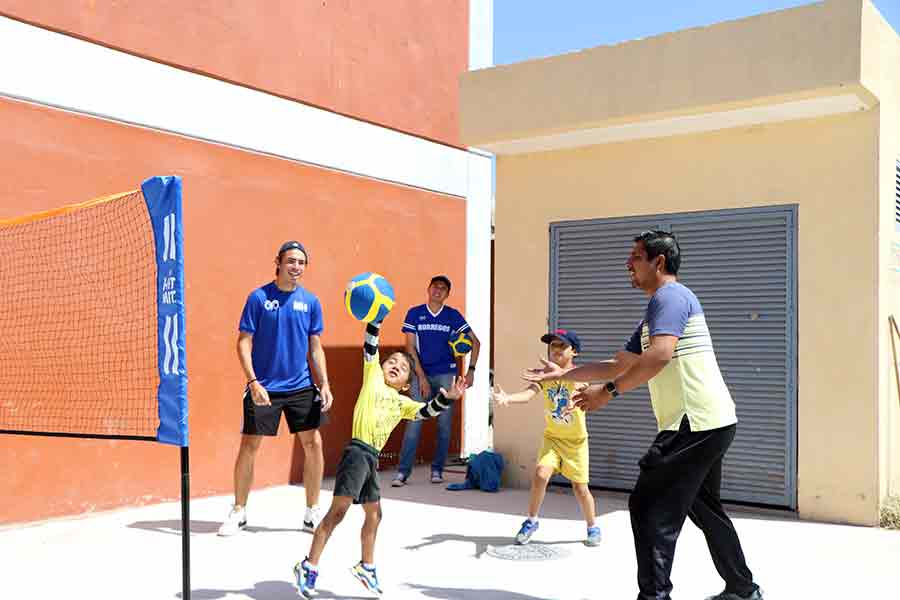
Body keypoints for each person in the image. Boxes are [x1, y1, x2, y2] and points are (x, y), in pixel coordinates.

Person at [525, 230, 763, 600]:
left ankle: (655, 597)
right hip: (712, 421)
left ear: (659, 262)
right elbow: (619, 363)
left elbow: (659, 356)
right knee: (704, 507)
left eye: (635, 257)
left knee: (649, 506)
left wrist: (609, 393)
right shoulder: (658, 312)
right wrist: (564, 375)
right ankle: (743, 589)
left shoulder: (669, 297)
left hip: (692, 423)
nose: (628, 264)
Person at [293, 317, 466, 598]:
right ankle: (308, 566)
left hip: (371, 460)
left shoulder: (402, 402)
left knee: (375, 514)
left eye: (403, 366)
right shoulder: (372, 377)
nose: (396, 364)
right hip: (356, 454)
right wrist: (375, 318)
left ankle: (366, 567)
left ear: (406, 385)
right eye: (392, 361)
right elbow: (370, 346)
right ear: (380, 368)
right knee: (337, 514)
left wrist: (448, 398)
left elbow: (426, 412)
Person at [218, 241, 334, 536]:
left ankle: (311, 512)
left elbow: (315, 346)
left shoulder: (311, 302)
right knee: (249, 446)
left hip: (301, 386)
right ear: (279, 262)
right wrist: (253, 381)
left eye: (302, 262)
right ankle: (239, 511)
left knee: (314, 444)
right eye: (291, 261)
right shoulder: (258, 298)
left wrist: (325, 383)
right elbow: (244, 341)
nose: (297, 267)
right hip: (264, 387)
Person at [491, 329, 602, 547]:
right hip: (553, 438)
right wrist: (508, 398)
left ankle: (592, 526)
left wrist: (577, 398)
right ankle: (531, 521)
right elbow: (529, 393)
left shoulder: (579, 374)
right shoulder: (545, 377)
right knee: (541, 474)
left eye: (562, 345)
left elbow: (585, 388)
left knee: (580, 488)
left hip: (576, 442)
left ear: (574, 352)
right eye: (553, 345)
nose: (556, 349)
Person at [392, 275, 480, 486]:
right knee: (414, 422)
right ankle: (402, 473)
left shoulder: (452, 316)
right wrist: (421, 377)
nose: (438, 290)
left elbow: (476, 342)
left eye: (443, 288)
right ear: (428, 289)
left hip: (446, 374)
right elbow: (410, 348)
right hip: (420, 374)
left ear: (447, 294)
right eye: (435, 286)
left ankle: (437, 470)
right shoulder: (415, 313)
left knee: (444, 425)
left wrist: (471, 371)